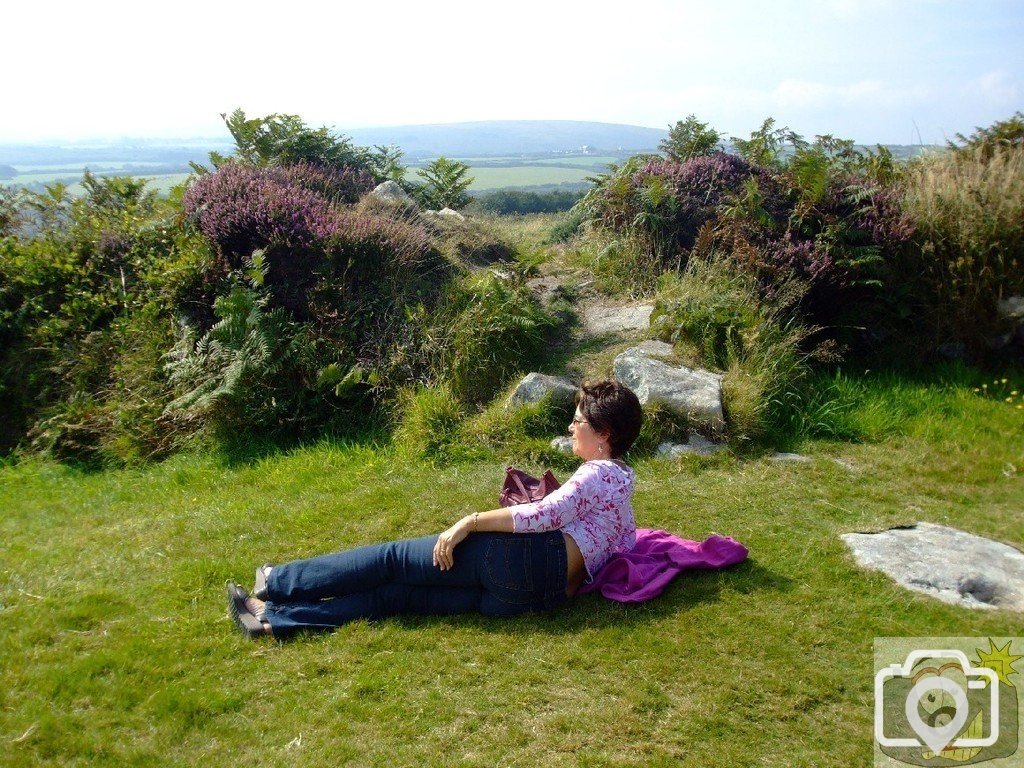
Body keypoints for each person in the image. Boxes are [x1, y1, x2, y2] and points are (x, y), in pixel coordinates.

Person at [227, 379, 643, 639]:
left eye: (578, 422)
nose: (571, 428)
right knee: (397, 596)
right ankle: (273, 621)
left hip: (518, 562)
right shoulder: (622, 483)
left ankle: (278, 581)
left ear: (603, 433)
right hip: (535, 598)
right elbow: (623, 543)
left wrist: (470, 523)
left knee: (390, 559)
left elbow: (544, 516)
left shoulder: (595, 475)